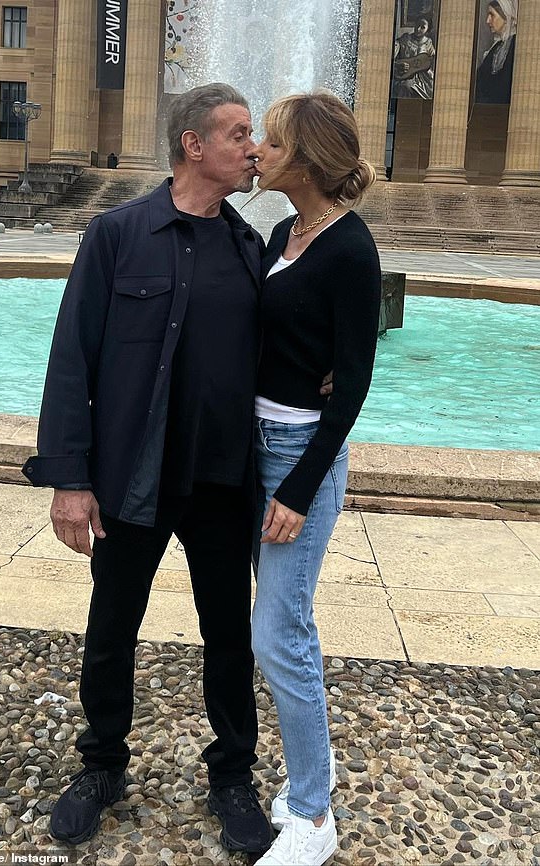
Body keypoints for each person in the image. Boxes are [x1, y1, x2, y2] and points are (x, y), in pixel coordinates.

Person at [22, 83, 273, 854]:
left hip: (224, 483)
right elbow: (72, 360)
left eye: (254, 134)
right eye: (237, 134)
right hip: (134, 474)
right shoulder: (115, 234)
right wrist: (68, 477)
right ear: (193, 145)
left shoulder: (249, 248)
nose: (252, 147)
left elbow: (273, 361)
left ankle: (233, 775)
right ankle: (101, 766)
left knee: (230, 634)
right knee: (112, 627)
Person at [247, 91, 382, 865]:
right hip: (248, 444)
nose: (259, 151)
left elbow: (354, 385)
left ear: (307, 158)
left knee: (282, 629)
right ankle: (303, 785)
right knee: (271, 624)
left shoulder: (351, 250)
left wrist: (298, 489)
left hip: (300, 459)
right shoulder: (279, 231)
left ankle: (312, 813)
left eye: (272, 141)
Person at [476, 0, 517, 104]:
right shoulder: (496, 47)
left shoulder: (516, 45)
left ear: (506, 17)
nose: (488, 20)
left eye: (492, 15)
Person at [392, 17, 436, 100]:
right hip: (405, 75)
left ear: (427, 30)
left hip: (424, 78)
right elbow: (391, 57)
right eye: (417, 25)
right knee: (405, 86)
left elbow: (433, 62)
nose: (418, 29)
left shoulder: (428, 43)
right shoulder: (405, 39)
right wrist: (397, 64)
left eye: (423, 27)